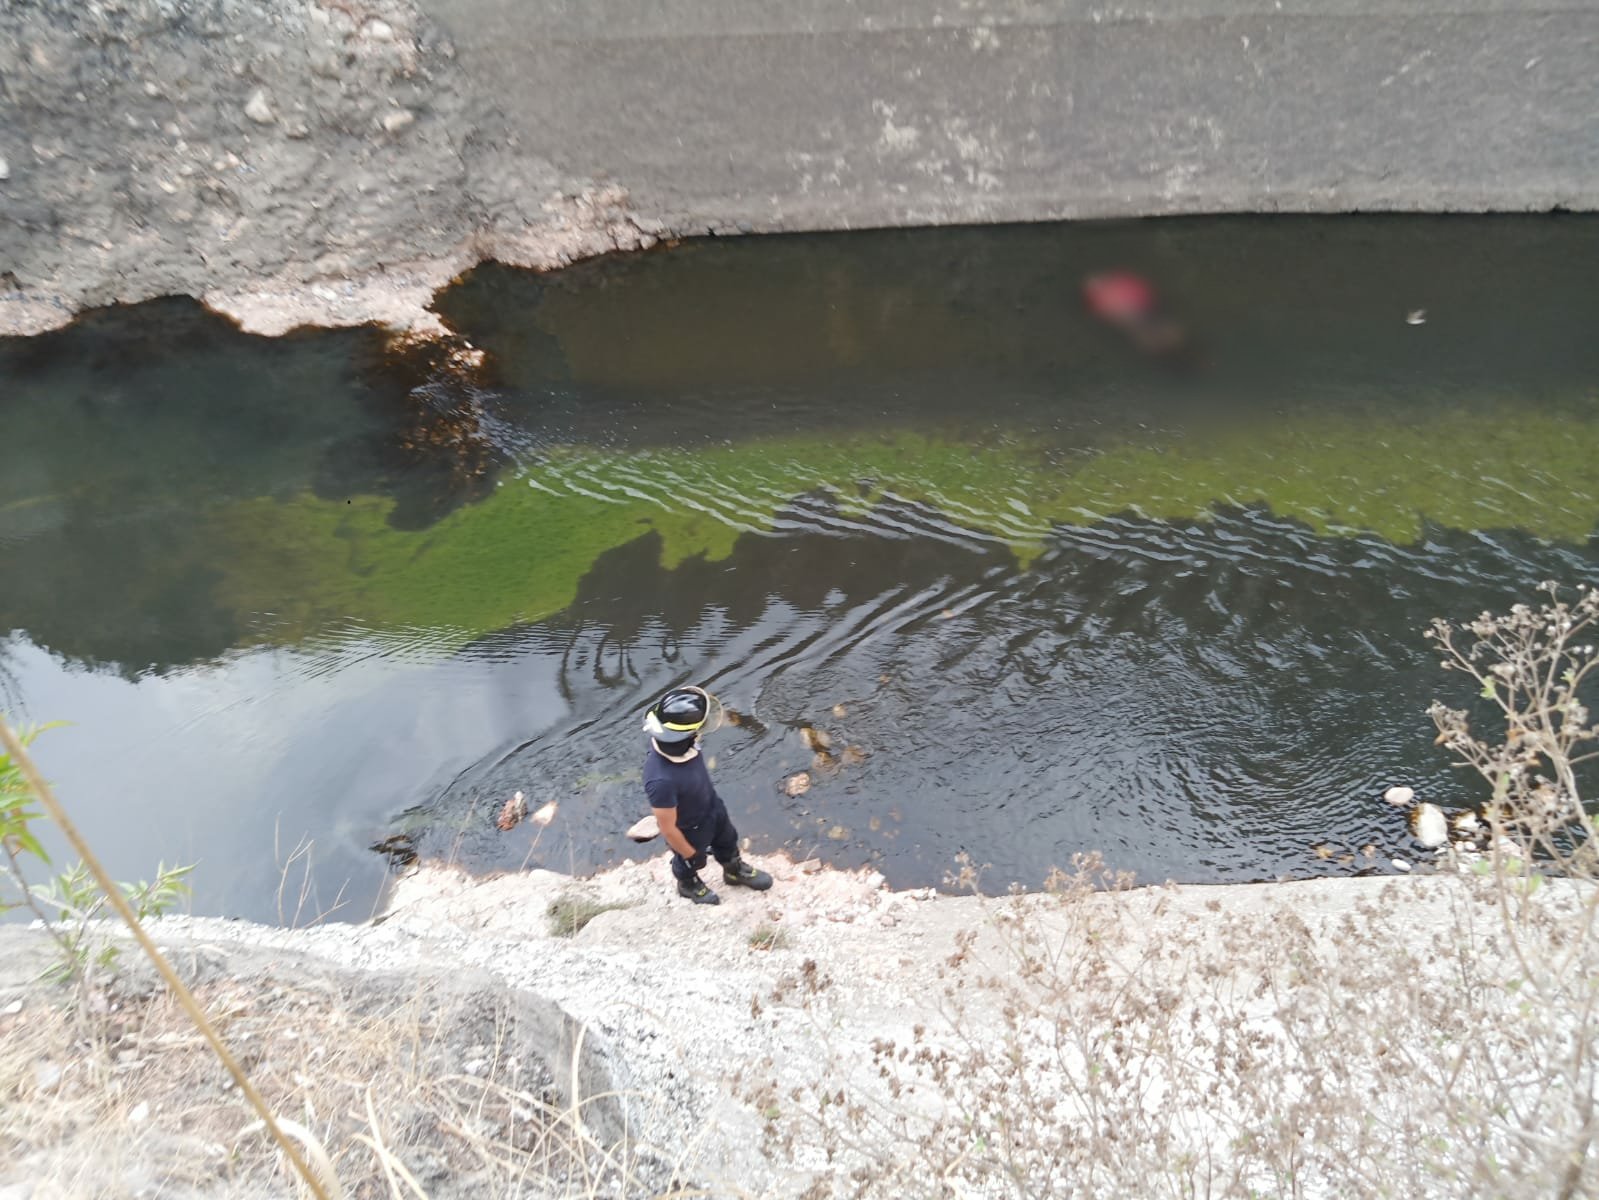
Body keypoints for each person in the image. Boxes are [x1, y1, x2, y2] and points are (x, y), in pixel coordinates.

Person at [642, 685, 773, 904]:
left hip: (711, 806)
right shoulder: (661, 780)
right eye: (696, 731)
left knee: (727, 839)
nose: (699, 734)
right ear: (682, 736)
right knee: (689, 860)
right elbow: (668, 828)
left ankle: (733, 870)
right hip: (690, 826)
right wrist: (690, 853)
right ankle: (688, 884)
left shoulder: (684, 744)